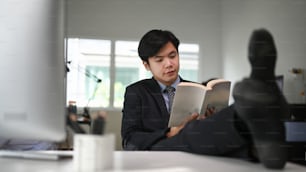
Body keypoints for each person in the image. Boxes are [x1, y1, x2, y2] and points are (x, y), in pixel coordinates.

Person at [121, 29, 289, 169]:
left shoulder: (197, 89)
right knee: (192, 134)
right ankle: (253, 131)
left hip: (200, 143)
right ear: (146, 65)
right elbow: (129, 140)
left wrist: (210, 119)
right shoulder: (136, 92)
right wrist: (170, 132)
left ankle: (256, 141)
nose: (169, 64)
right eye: (159, 60)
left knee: (206, 131)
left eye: (172, 56)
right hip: (159, 151)